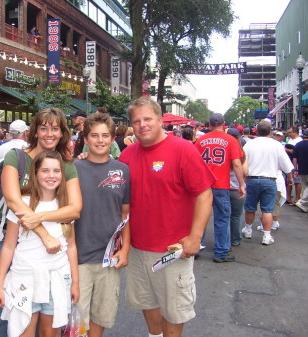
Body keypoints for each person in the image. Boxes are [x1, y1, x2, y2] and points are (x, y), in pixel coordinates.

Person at [118, 97, 215, 337]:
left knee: (174, 310)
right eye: (137, 121)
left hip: (173, 248)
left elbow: (204, 194)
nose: (143, 125)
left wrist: (195, 236)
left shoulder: (183, 149)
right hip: (137, 247)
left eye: (148, 119)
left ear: (160, 120)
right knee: (146, 301)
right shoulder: (127, 155)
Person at [0, 107, 82, 337]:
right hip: (8, 241)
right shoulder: (16, 157)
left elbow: (74, 208)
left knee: (43, 319)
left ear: (62, 132)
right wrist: (44, 234)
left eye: (55, 128)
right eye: (44, 127)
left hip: (49, 254)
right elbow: (13, 200)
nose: (49, 133)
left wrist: (41, 217)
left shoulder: (65, 165)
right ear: (34, 131)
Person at [0, 151, 79, 337]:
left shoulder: (66, 207)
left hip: (57, 277)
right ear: (35, 173)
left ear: (63, 175)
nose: (51, 175)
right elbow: (9, 246)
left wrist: (75, 283)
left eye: (56, 171)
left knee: (50, 332)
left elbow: (71, 246)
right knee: (24, 330)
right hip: (24, 277)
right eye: (45, 170)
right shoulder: (22, 204)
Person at [74, 112, 130, 337]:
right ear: (85, 138)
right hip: (78, 258)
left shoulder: (123, 170)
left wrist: (125, 250)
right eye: (94, 135)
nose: (100, 140)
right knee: (76, 320)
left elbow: (126, 215)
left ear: (112, 137)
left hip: (110, 257)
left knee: (101, 316)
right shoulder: (73, 168)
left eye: (105, 135)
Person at [195, 114, 245, 263]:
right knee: (222, 218)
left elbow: (194, 163)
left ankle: (196, 247)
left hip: (203, 185)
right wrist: (242, 184)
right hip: (221, 185)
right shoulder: (230, 140)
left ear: (209, 124)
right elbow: (236, 164)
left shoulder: (201, 140)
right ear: (224, 124)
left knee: (199, 217)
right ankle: (221, 252)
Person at [241, 120, 294, 245]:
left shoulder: (249, 145)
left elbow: (243, 163)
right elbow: (286, 165)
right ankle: (266, 235)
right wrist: (290, 177)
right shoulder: (276, 145)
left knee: (250, 207)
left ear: (257, 131)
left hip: (252, 179)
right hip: (269, 180)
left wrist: (242, 180)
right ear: (270, 131)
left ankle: (248, 230)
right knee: (267, 209)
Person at [226, 128, 248, 247]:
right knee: (235, 215)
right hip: (236, 187)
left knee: (223, 216)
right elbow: (245, 171)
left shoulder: (223, 150)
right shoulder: (242, 152)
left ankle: (223, 239)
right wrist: (242, 185)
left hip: (222, 186)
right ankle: (234, 239)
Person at [285, 126, 302, 205]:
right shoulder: (291, 140)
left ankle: (297, 198)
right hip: (289, 163)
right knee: (289, 180)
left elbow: (295, 152)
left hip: (295, 164)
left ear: (295, 132)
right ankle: (288, 197)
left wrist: (286, 149)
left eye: (291, 132)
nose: (289, 134)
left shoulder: (299, 141)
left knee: (297, 181)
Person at [293, 129, 308, 212]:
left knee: (306, 186)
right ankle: (302, 202)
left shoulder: (298, 145)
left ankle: (305, 204)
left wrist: (296, 169)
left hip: (301, 169)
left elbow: (295, 158)